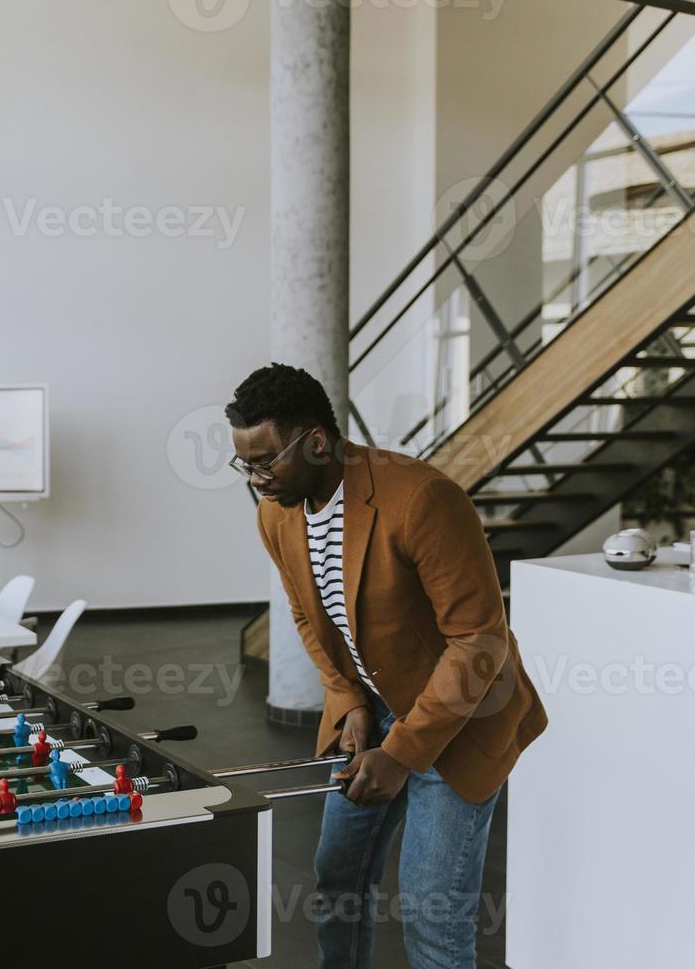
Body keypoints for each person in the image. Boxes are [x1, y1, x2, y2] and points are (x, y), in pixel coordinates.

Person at [225, 363, 548, 969]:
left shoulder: (422, 498)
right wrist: (346, 698)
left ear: (317, 441)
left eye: (266, 461)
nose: (256, 479)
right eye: (245, 464)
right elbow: (308, 617)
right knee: (336, 883)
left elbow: (480, 641)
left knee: (433, 920)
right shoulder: (277, 510)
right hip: (375, 708)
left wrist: (400, 754)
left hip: (461, 719)